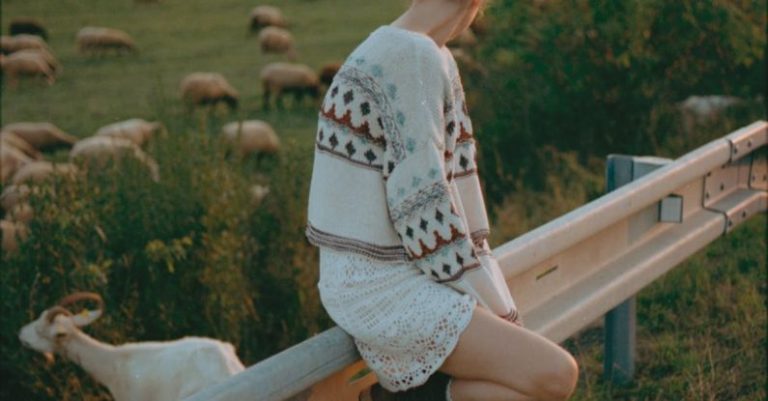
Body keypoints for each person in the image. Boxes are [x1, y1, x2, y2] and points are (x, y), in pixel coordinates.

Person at [306, 0, 579, 399]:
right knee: (556, 374)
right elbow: (425, 215)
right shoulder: (410, 55)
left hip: (391, 273)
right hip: (384, 283)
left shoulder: (420, 52)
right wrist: (496, 308)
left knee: (523, 388)